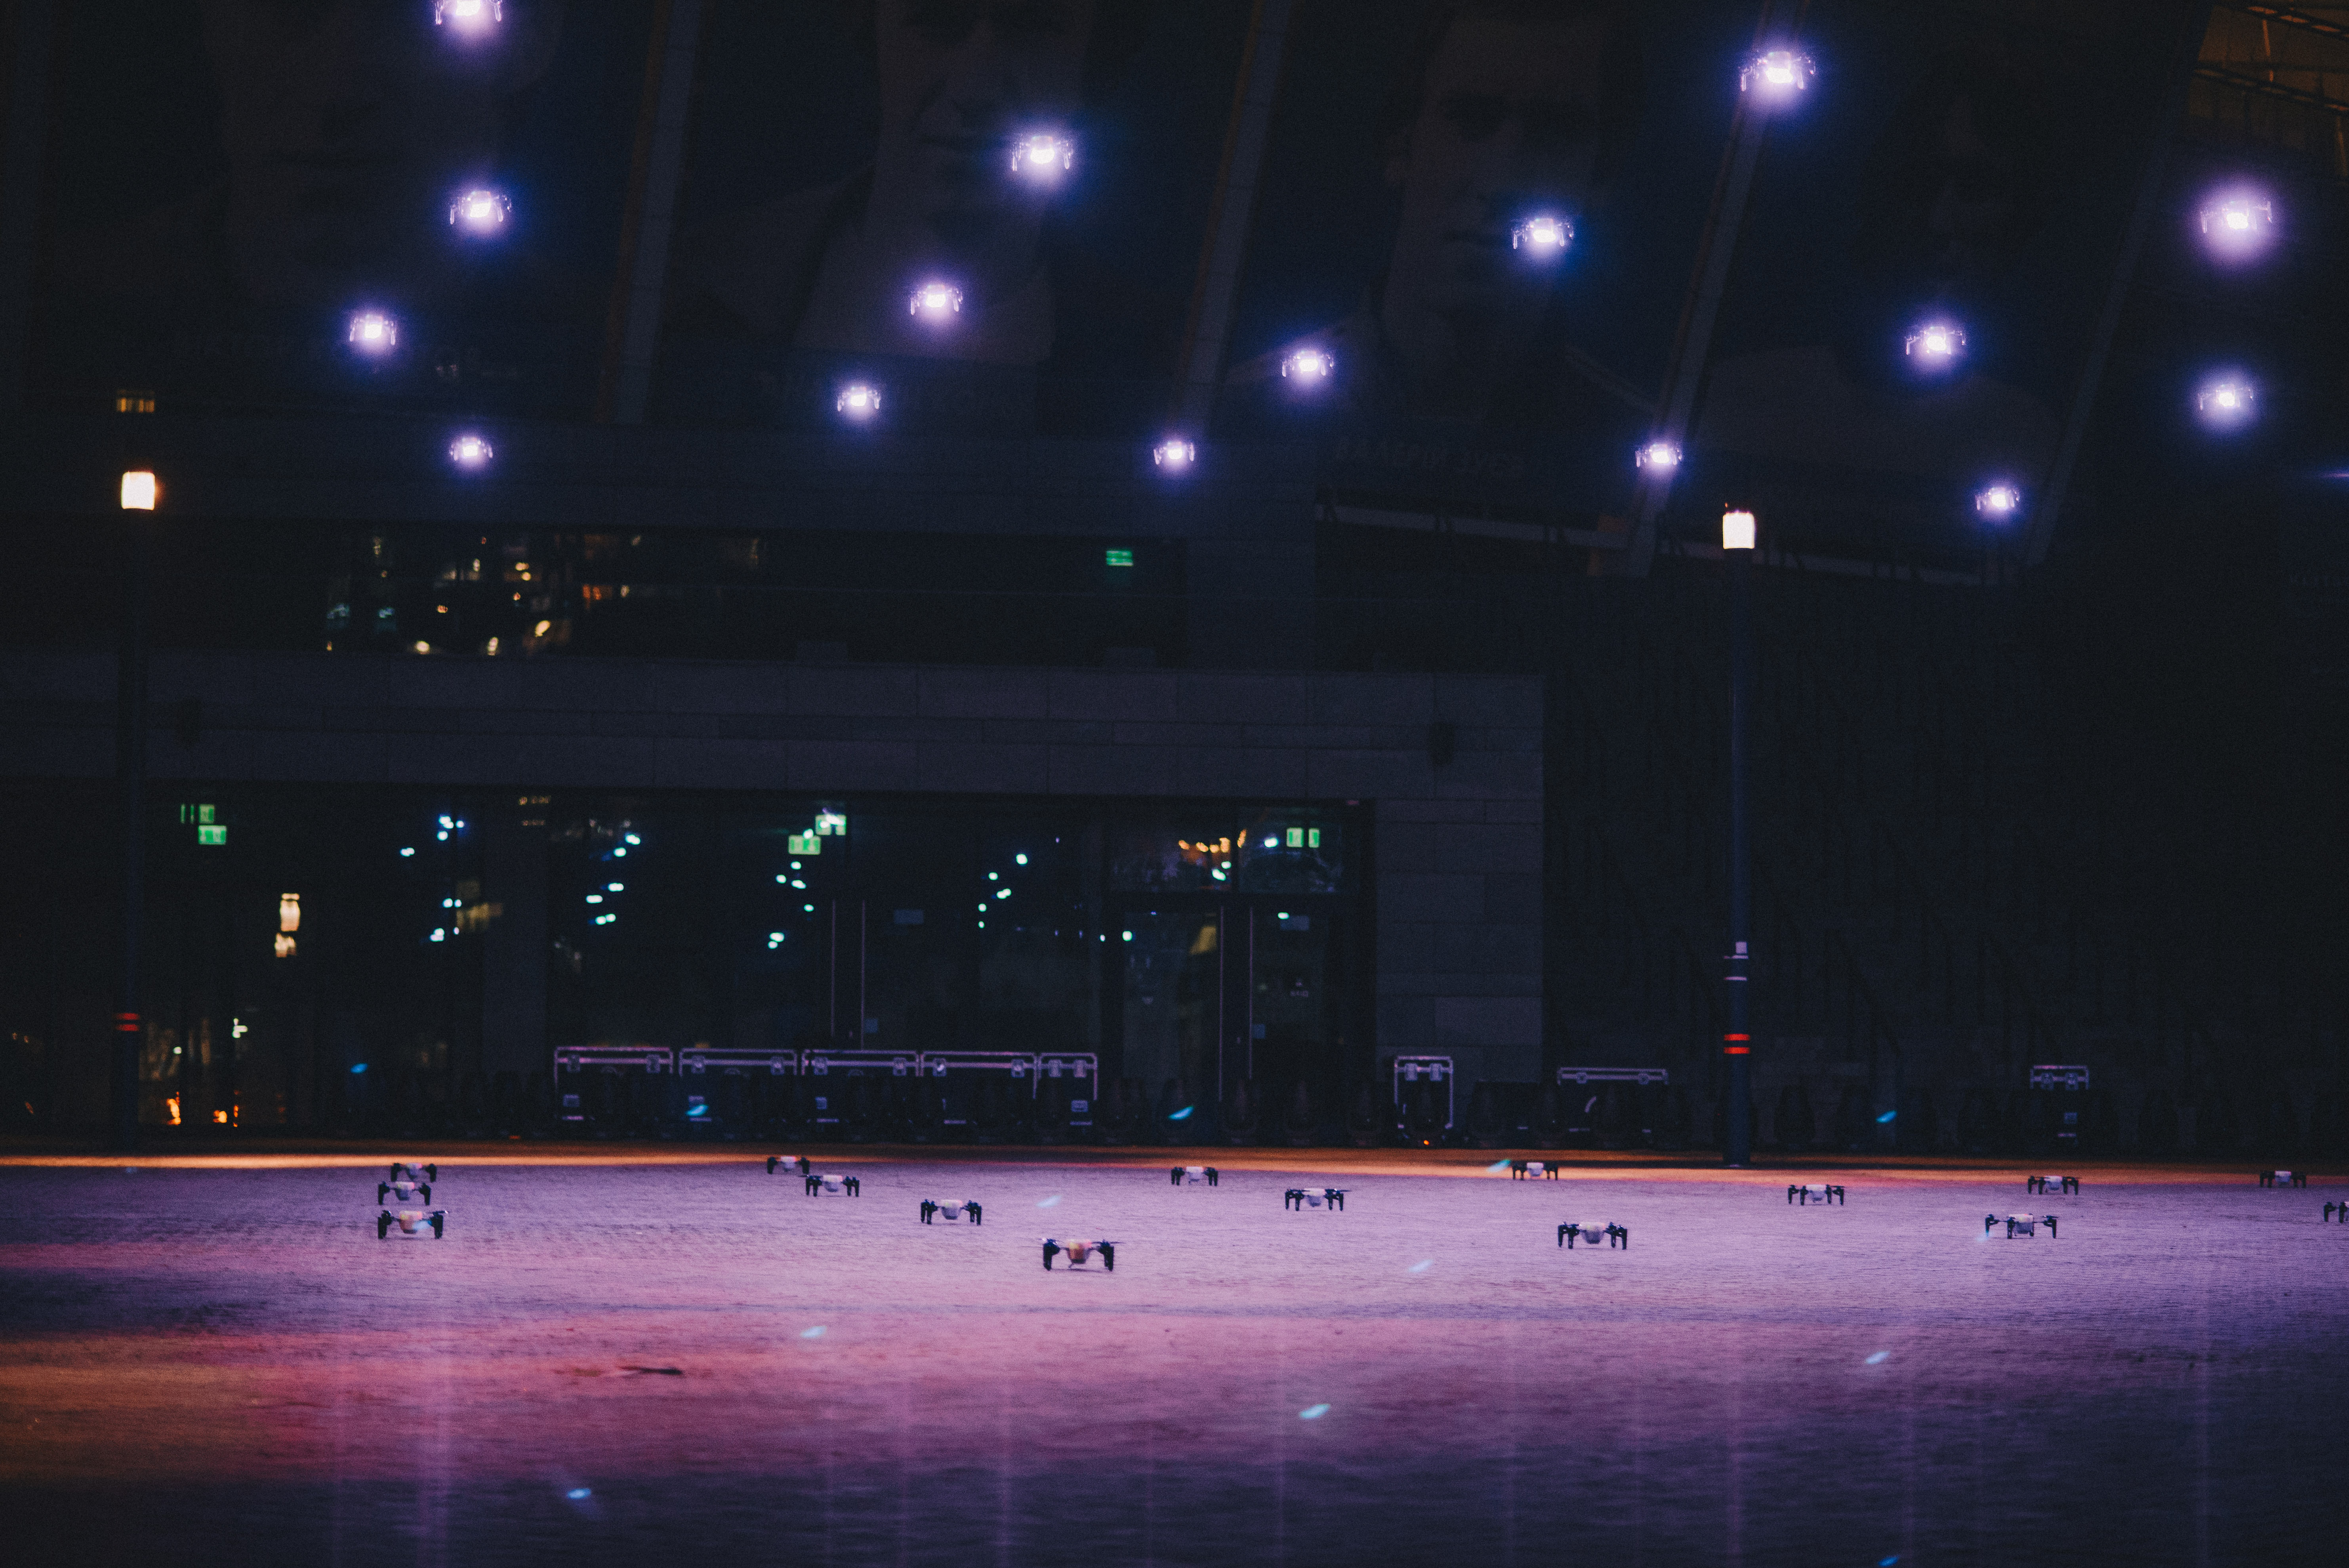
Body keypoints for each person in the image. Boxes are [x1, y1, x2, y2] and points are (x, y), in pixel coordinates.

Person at [1230, 0, 1648, 429]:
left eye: (1553, 131)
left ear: (1602, 174)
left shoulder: (1243, 417)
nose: (1501, 177)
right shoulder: (1239, 421)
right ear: (1399, 144)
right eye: (1469, 118)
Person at [674, 0, 1148, 369]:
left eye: (1030, 28)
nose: (974, 88)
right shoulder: (692, 290)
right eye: (935, 21)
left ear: (1094, 52)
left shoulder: (1149, 346)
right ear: (871, 31)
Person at [1697, 47, 2063, 485]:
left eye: (1975, 187)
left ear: (2019, 220)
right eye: (1917, 180)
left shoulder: (2024, 439)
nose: (1935, 220)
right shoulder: (1743, 397)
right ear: (1878, 190)